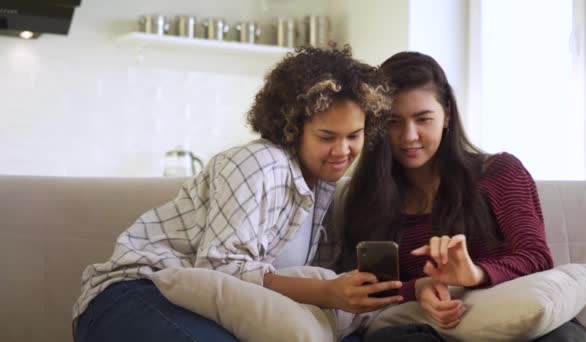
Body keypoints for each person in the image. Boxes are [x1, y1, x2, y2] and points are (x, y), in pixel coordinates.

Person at [72, 45, 404, 342]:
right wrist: (327, 292)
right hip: (136, 295)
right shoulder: (260, 164)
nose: (342, 150)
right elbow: (219, 270)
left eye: (354, 135)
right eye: (326, 136)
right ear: (292, 128)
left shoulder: (324, 190)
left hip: (212, 313)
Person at [339, 51, 586, 341]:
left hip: (514, 322)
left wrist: (475, 274)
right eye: (393, 122)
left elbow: (536, 257)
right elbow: (369, 292)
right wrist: (419, 288)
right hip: (425, 327)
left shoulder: (499, 172)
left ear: (447, 115)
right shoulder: (367, 196)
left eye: (423, 119)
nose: (409, 136)